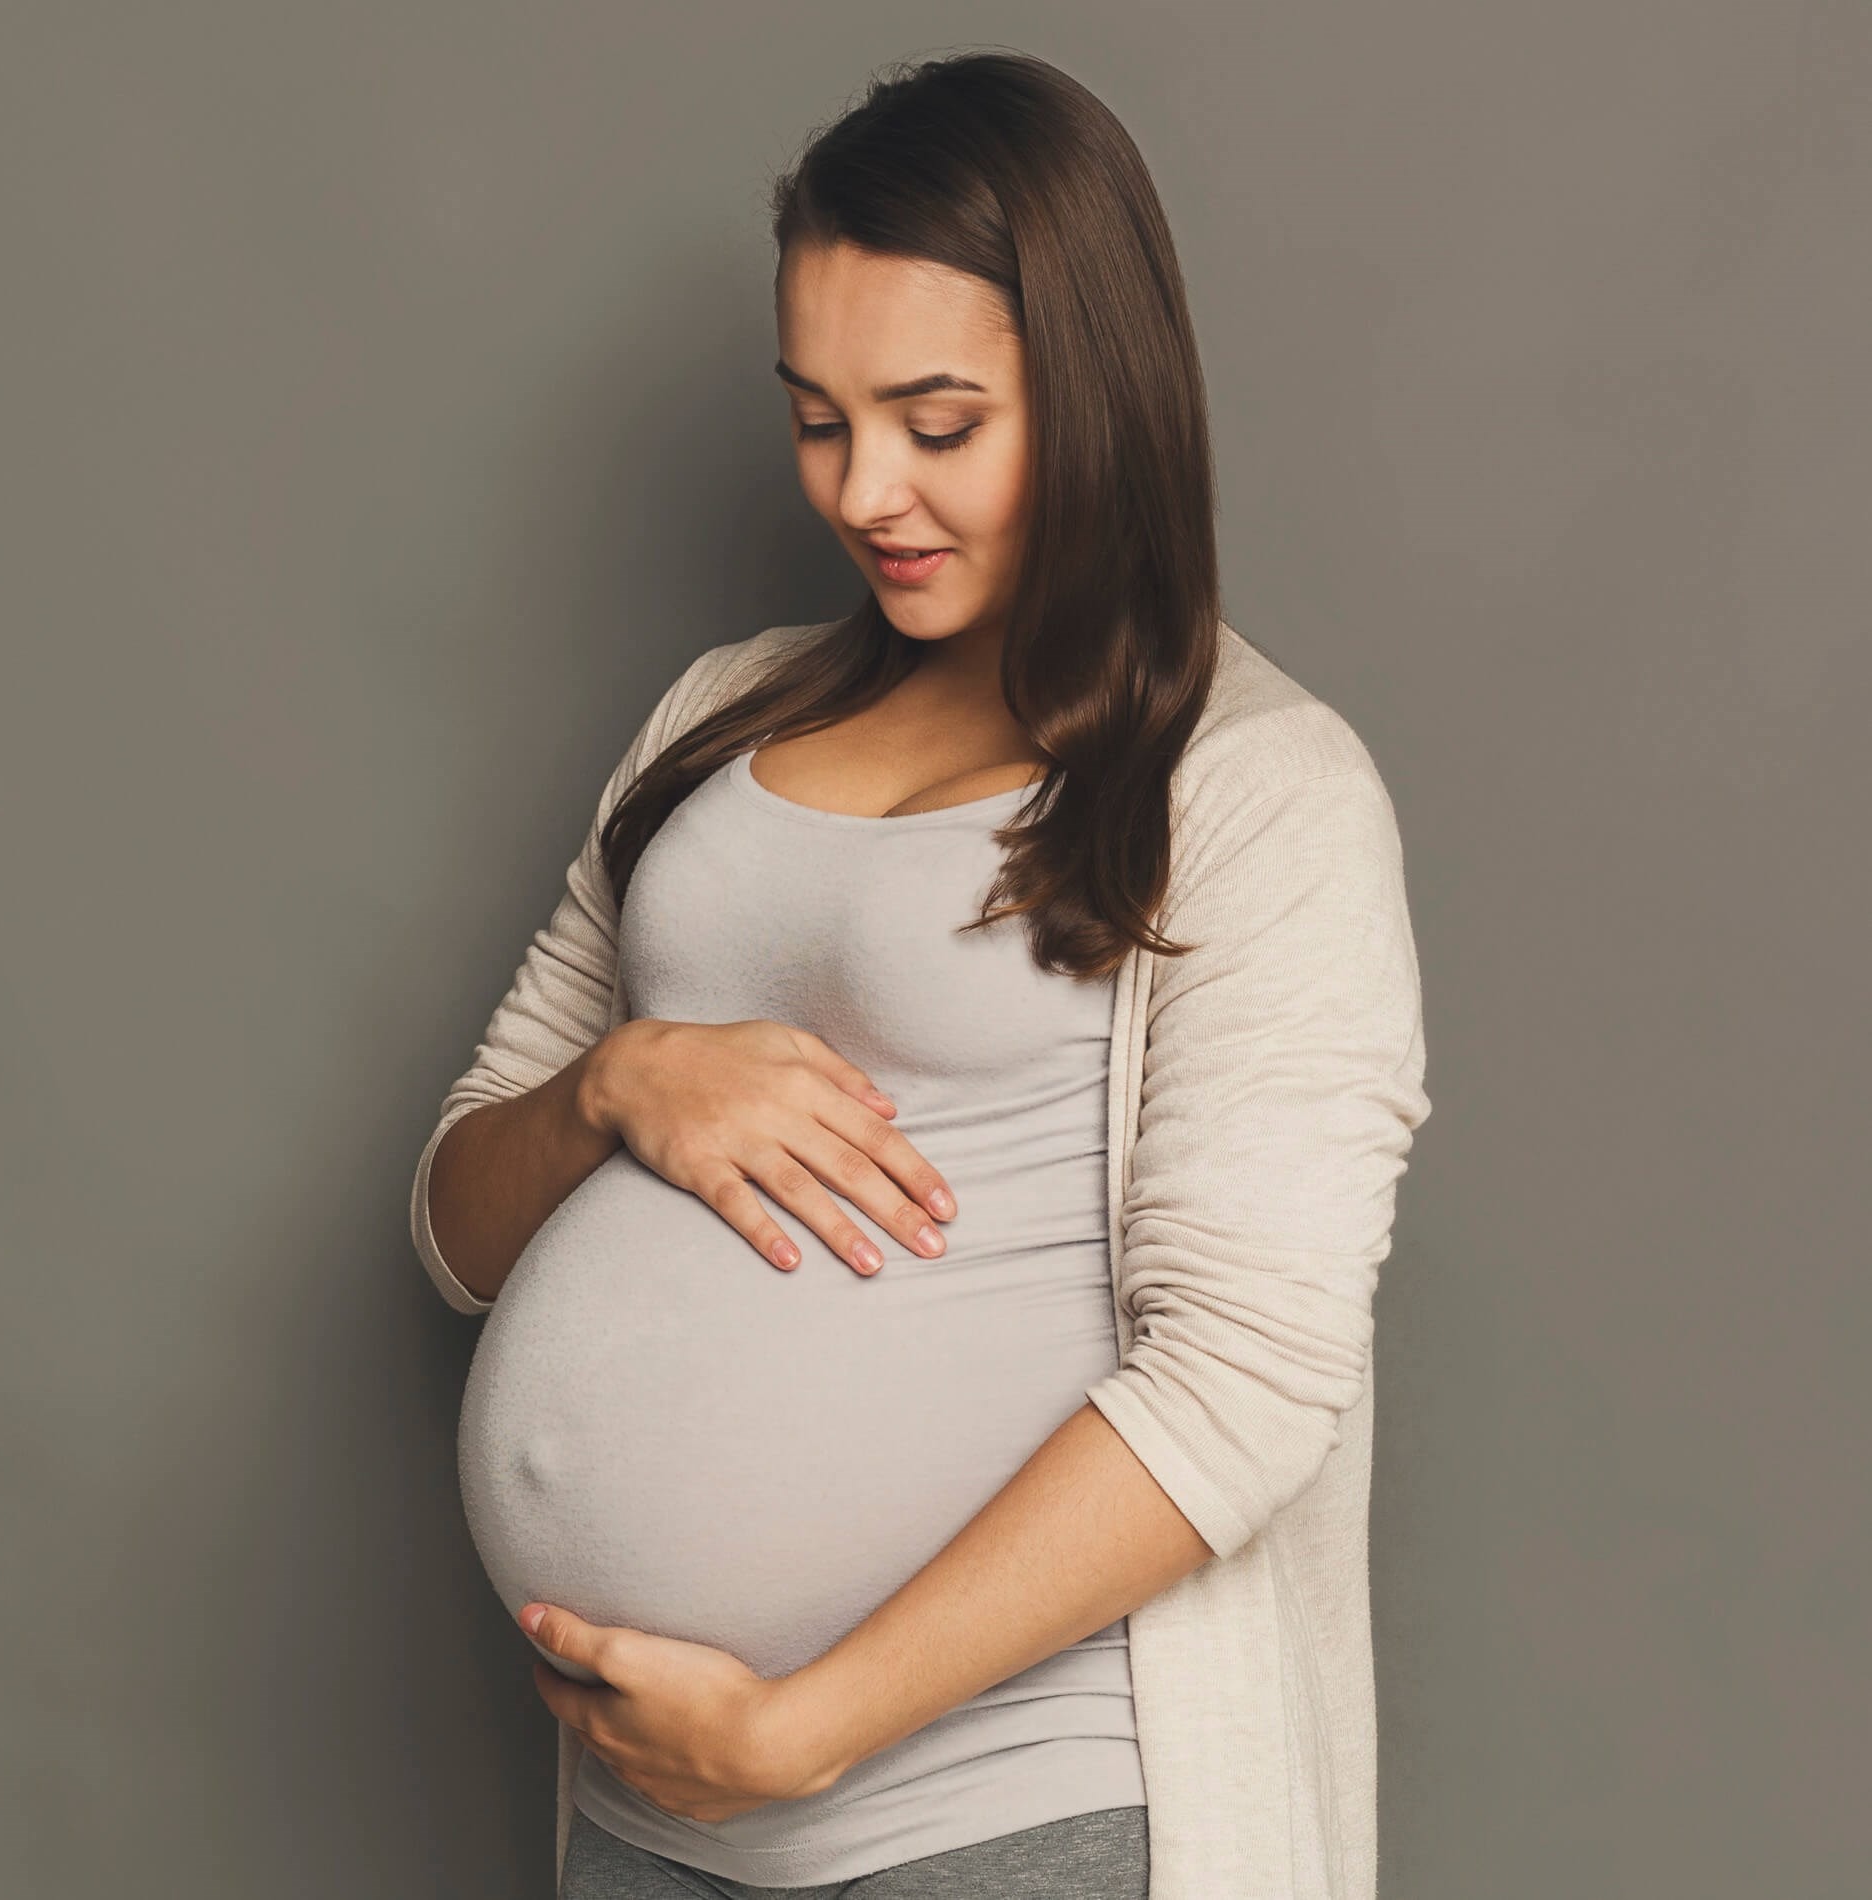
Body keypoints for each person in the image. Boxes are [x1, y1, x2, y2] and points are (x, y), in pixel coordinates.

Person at [410, 50, 1432, 1900]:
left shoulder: (1257, 790)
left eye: (939, 424)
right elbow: (456, 1234)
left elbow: (1248, 1381)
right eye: (819, 420)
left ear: (1098, 399)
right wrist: (614, 1085)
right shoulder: (717, 719)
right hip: (648, 1810)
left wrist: (805, 1731)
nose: (867, 490)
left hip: (1012, 1815)